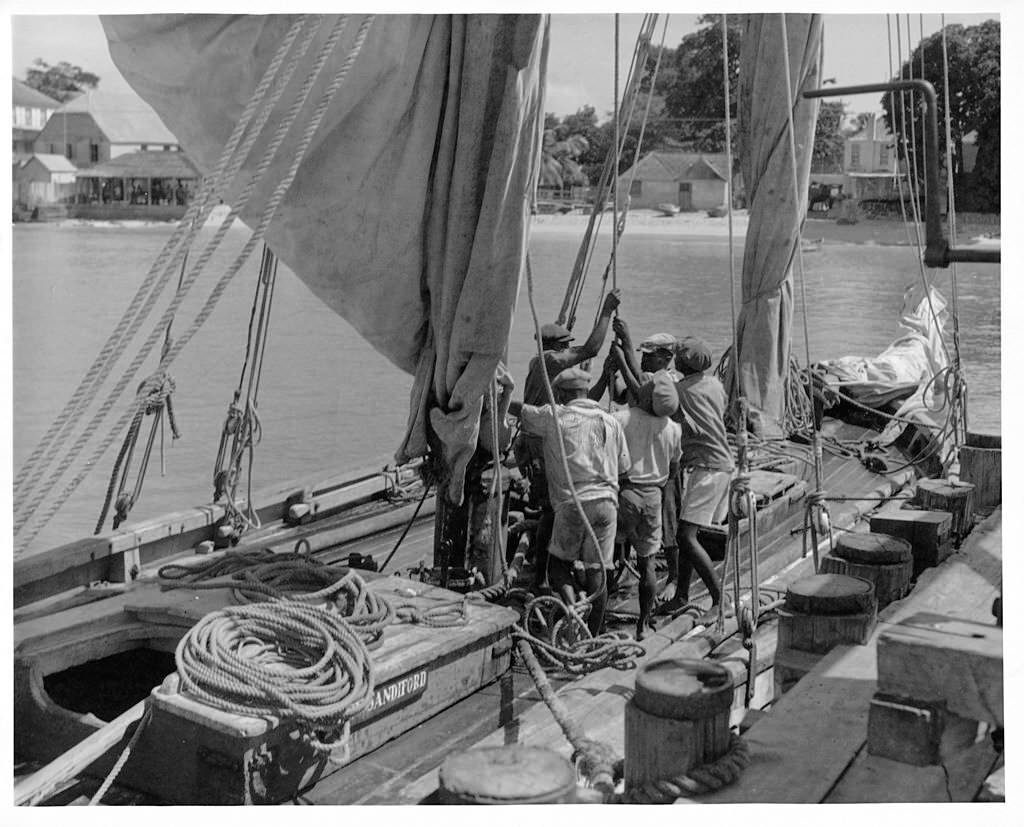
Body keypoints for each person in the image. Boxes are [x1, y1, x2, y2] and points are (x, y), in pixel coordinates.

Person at [515, 288, 621, 590]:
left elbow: (586, 402)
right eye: (564, 348)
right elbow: (590, 349)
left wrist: (604, 375)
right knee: (552, 509)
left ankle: (549, 568)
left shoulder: (547, 370)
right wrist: (606, 309)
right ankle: (543, 575)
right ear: (554, 347)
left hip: (543, 436)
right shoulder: (547, 361)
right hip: (542, 444)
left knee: (555, 508)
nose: (567, 355)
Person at [512, 367, 629, 636]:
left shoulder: (556, 416)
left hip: (572, 503)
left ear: (561, 394)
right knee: (598, 571)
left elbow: (522, 411)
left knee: (558, 567)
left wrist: (499, 393)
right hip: (607, 503)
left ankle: (573, 610)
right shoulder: (611, 421)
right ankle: (596, 635)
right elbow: (624, 468)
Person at [663, 336, 735, 617]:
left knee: (686, 536)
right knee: (688, 532)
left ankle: (720, 601)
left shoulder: (680, 390)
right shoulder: (714, 385)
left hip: (707, 467)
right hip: (719, 462)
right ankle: (682, 594)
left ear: (683, 362)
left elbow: (651, 396)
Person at [613, 379, 681, 640]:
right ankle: (643, 624)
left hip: (626, 492)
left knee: (608, 559)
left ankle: (595, 624)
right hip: (654, 495)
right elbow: (674, 468)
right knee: (648, 563)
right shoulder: (672, 428)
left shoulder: (621, 418)